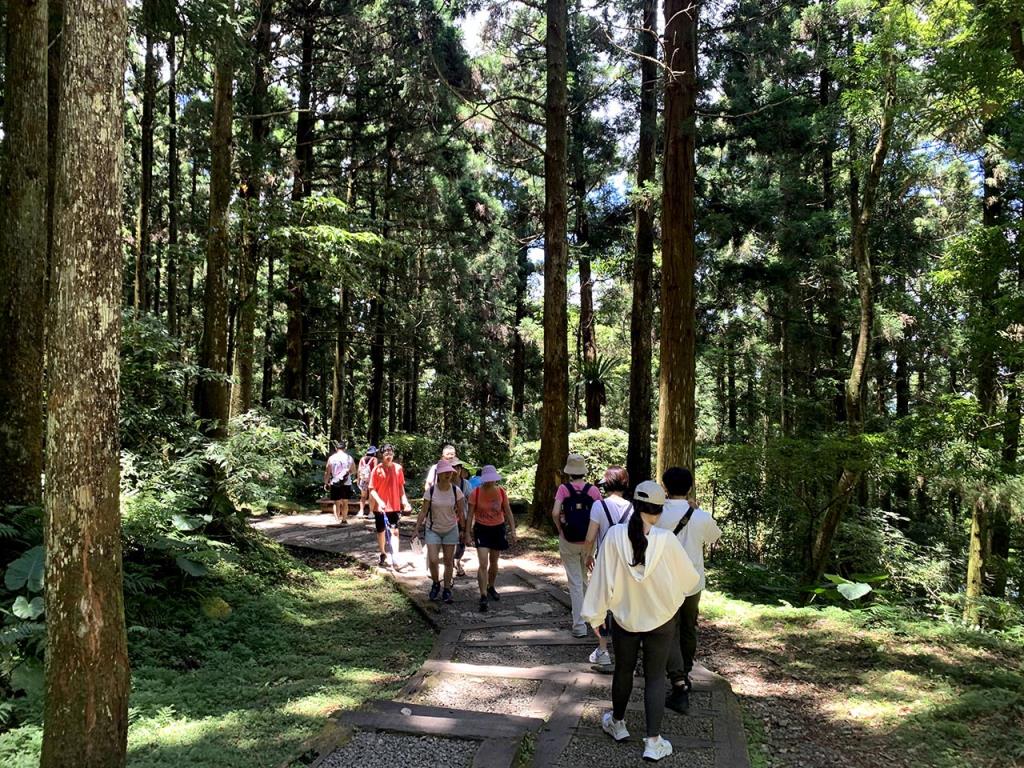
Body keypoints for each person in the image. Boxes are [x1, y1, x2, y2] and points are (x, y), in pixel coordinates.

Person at [582, 480, 699, 763]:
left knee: (623, 670)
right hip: (661, 619)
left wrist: (596, 617)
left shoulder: (613, 536)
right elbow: (689, 581)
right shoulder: (667, 540)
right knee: (656, 677)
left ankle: (618, 723)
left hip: (625, 618)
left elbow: (600, 581)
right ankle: (653, 741)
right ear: (659, 511)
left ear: (634, 505)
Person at [656, 466, 722, 713]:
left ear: (665, 487)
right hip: (693, 583)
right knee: (688, 628)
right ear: (690, 487)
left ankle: (678, 680)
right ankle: (686, 670)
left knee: (668, 629)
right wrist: (696, 511)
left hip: (665, 582)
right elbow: (715, 537)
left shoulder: (657, 513)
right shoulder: (700, 516)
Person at [583, 466, 634, 667]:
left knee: (601, 605)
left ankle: (603, 650)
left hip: (604, 562)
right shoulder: (632, 508)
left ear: (607, 484)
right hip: (626, 563)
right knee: (623, 604)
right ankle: (625, 650)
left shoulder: (598, 506)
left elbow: (590, 537)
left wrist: (588, 556)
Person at [551, 453, 603, 637]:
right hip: (589, 542)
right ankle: (590, 618)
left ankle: (579, 626)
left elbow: (556, 512)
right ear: (583, 471)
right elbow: (600, 516)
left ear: (569, 472)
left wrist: (560, 529)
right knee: (583, 579)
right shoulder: (594, 491)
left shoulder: (563, 489)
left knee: (575, 582)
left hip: (569, 540)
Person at [466, 465, 517, 612]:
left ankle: (491, 586)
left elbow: (508, 511)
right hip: (482, 529)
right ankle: (482, 595)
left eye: (492, 480)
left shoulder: (501, 491)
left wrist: (513, 530)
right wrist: (468, 533)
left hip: (497, 528)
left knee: (494, 562)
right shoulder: (475, 493)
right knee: (483, 562)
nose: (489, 482)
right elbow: (470, 515)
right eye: (487, 480)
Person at [414, 459, 465, 604]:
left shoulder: (456, 491)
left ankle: (447, 589)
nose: (448, 474)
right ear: (439, 474)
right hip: (433, 530)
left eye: (450, 472)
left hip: (451, 529)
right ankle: (436, 583)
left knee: (449, 561)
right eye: (445, 472)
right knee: (434, 559)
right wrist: (416, 528)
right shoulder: (431, 491)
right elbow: (423, 511)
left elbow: (461, 513)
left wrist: (464, 530)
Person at [368, 444, 413, 566]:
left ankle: (395, 557)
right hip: (380, 508)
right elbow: (371, 489)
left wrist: (405, 501)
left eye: (391, 453)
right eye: (386, 454)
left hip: (394, 506)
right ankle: (383, 553)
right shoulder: (376, 470)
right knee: (381, 531)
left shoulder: (398, 468)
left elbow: (400, 487)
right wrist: (379, 501)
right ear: (381, 455)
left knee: (395, 532)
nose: (389, 456)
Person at [450, 457, 472, 577]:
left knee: (461, 541)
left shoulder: (466, 484)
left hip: (462, 517)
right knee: (450, 541)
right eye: (453, 467)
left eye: (458, 467)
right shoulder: (445, 483)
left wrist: (471, 518)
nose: (456, 470)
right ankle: (452, 562)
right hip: (448, 518)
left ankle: (457, 561)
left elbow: (471, 501)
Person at [323, 442, 354, 523]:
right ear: (345, 448)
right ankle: (344, 519)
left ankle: (337, 520)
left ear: (336, 449)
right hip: (346, 482)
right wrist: (347, 473)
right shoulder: (349, 458)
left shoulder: (331, 458)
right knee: (345, 502)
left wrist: (326, 483)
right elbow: (354, 470)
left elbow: (327, 472)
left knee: (337, 502)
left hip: (335, 482)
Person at [356, 445, 378, 517]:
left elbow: (359, 470)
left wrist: (358, 479)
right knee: (371, 497)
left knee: (363, 497)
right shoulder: (374, 459)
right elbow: (375, 470)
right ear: (374, 453)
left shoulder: (362, 459)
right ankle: (371, 513)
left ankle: (361, 511)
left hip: (363, 479)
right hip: (371, 480)